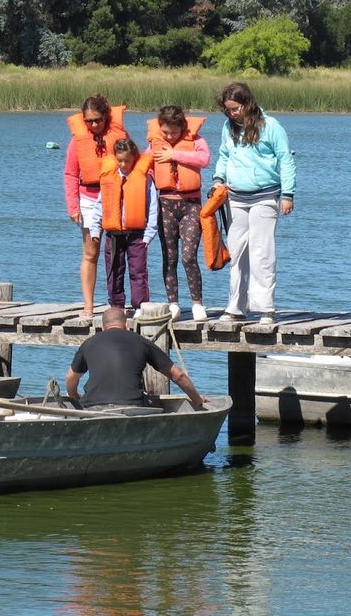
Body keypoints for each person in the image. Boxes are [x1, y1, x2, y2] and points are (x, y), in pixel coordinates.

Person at [211, 82, 295, 324]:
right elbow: (224, 155)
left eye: (235, 108)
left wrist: (288, 194)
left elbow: (286, 160)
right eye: (227, 110)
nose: (231, 113)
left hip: (265, 196)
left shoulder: (271, 126)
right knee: (237, 252)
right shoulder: (228, 127)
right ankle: (236, 306)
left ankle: (266, 308)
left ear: (247, 104)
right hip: (235, 197)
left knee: (262, 252)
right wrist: (218, 179)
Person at [64, 94, 129, 318]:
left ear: (106, 117)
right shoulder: (78, 141)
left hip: (114, 196)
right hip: (88, 200)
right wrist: (73, 206)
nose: (93, 125)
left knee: (117, 253)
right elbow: (71, 173)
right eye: (89, 121)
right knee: (90, 253)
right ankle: (88, 305)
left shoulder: (119, 136)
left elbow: (133, 163)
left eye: (97, 120)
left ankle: (117, 305)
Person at [66, 307, 206, 409]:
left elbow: (71, 378)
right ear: (127, 325)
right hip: (132, 407)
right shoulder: (141, 342)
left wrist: (74, 397)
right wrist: (197, 399)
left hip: (93, 406)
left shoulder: (89, 343)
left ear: (102, 328)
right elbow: (178, 375)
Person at [147, 105, 211, 322]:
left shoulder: (196, 141)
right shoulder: (154, 144)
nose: (169, 136)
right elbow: (144, 166)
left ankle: (197, 304)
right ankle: (173, 303)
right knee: (170, 257)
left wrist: (174, 154)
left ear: (182, 127)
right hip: (165, 205)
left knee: (189, 256)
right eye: (165, 132)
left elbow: (204, 160)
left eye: (174, 132)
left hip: (190, 205)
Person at [86, 138, 158, 317]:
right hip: (113, 235)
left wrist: (149, 235)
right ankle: (116, 305)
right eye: (120, 160)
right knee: (114, 271)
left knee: (138, 271)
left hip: (137, 235)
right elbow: (99, 206)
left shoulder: (145, 179)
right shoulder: (109, 179)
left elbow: (153, 207)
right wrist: (95, 230)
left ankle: (139, 305)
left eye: (127, 160)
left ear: (134, 158)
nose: (123, 164)